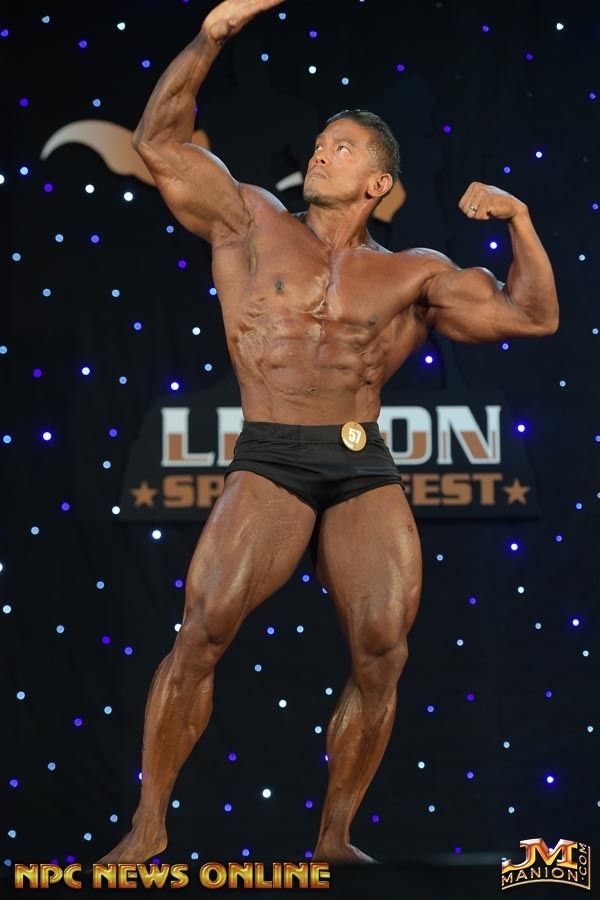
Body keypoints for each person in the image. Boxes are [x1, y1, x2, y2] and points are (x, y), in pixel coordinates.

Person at [98, 0, 558, 865]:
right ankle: (149, 824)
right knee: (201, 631)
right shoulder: (248, 220)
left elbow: (532, 317)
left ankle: (335, 839)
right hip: (273, 456)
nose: (318, 152)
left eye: (340, 147)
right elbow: (159, 144)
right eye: (318, 142)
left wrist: (520, 221)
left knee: (383, 652)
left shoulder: (414, 272)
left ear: (378, 182)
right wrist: (212, 36)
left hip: (361, 467)